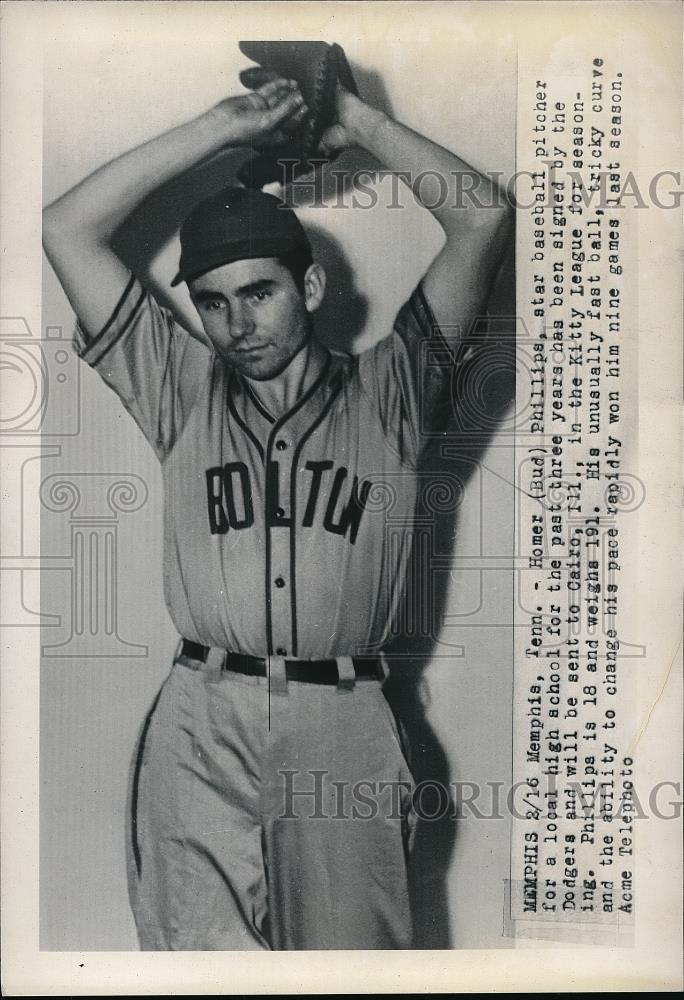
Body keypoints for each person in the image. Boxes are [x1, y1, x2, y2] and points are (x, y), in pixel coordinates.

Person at [43, 73, 510, 950]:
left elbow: (483, 216)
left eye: (259, 292)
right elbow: (64, 226)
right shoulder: (178, 387)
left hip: (343, 724)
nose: (235, 324)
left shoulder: (393, 391)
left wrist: (359, 121)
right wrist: (218, 127)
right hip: (198, 722)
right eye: (212, 303)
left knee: (348, 967)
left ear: (313, 287)